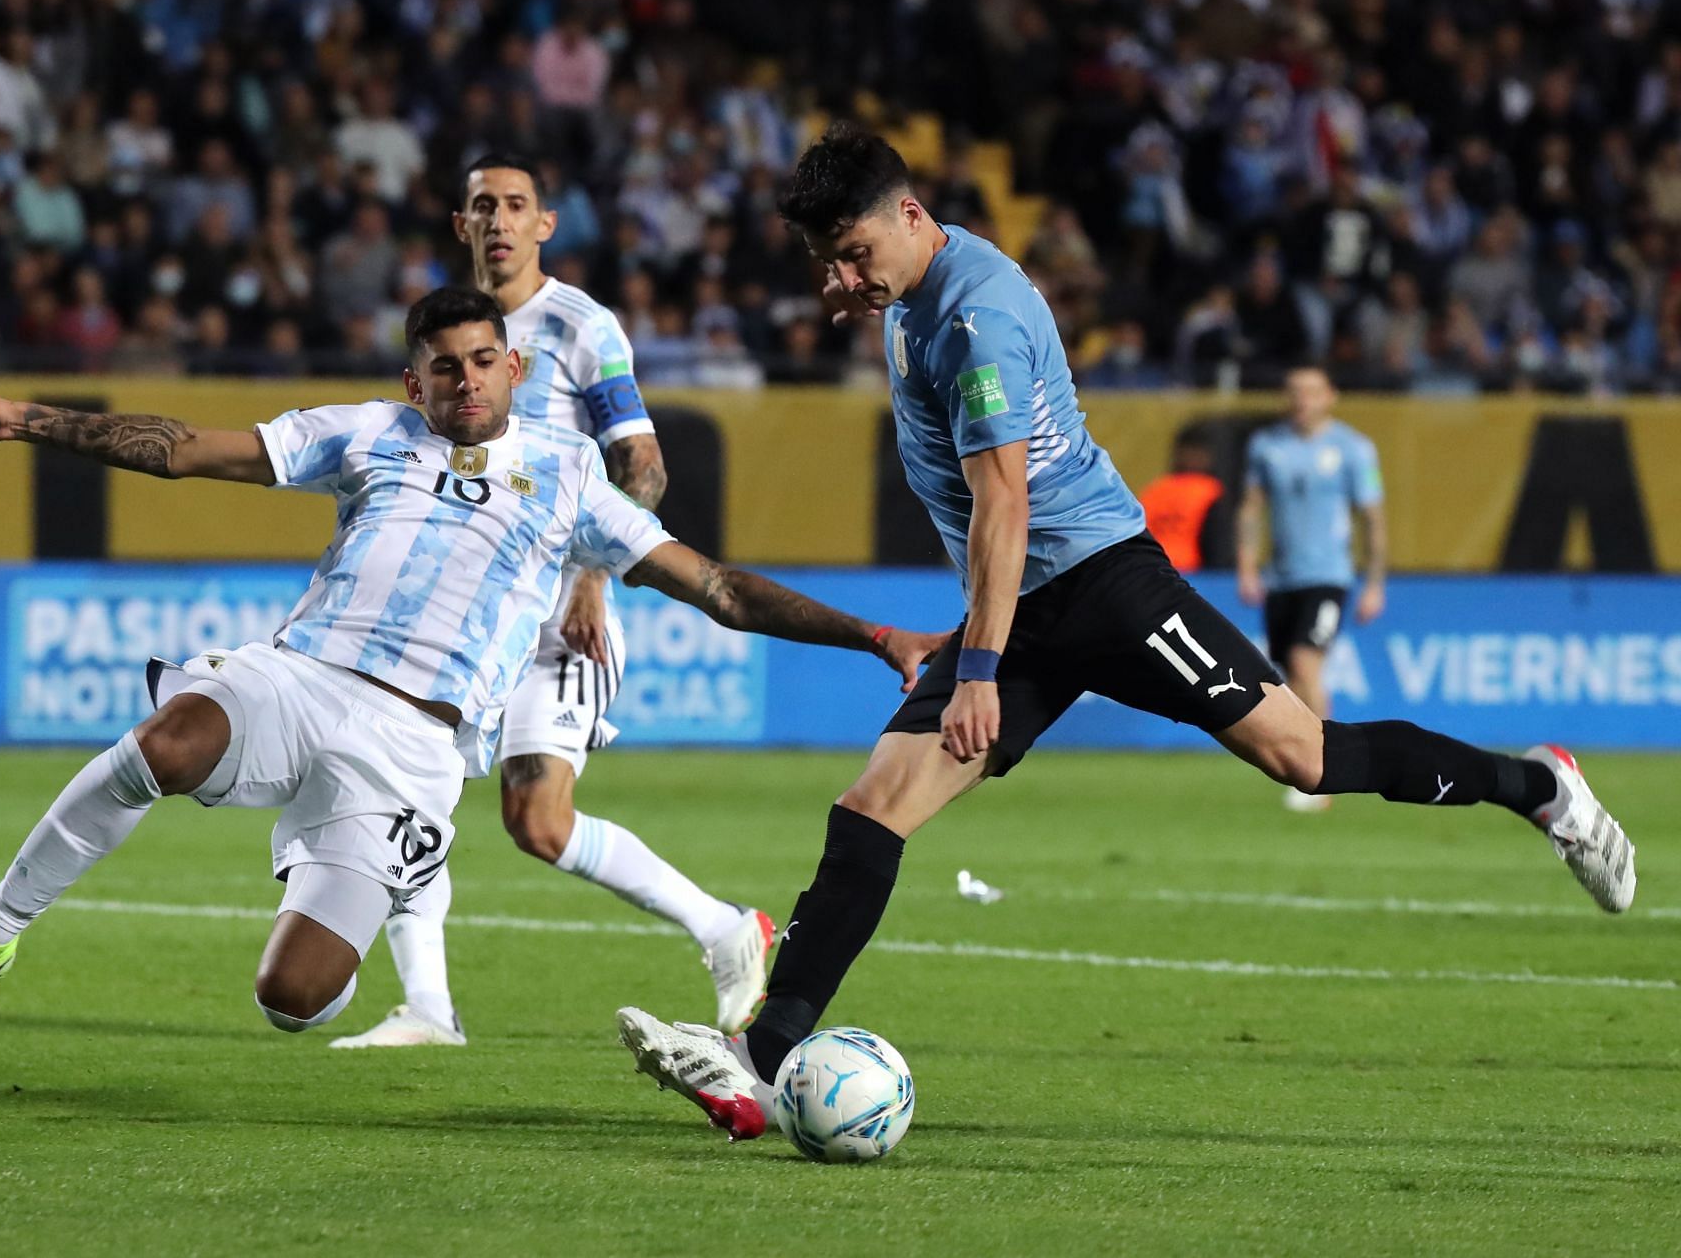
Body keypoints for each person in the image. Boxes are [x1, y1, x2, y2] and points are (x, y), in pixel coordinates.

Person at [612, 125, 1638, 1143]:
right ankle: (761, 1060)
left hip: (1109, 589)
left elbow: (1004, 503)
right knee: (872, 806)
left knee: (1308, 754)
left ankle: (1542, 787)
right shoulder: (911, 288)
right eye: (827, 261)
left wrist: (979, 670)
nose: (843, 277)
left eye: (855, 255)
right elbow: (990, 513)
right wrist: (859, 288)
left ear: (913, 217)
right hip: (1022, 605)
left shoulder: (976, 321)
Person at [0, 288, 945, 1033]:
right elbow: (181, 451)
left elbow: (717, 586)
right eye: (442, 369)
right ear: (412, 380)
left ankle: (382, 869)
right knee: (169, 740)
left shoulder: (568, 479)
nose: (465, 382)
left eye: (481, 362)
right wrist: (27, 419)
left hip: (418, 747)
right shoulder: (367, 433)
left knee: (295, 999)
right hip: (303, 675)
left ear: (513, 366)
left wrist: (877, 634)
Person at [331, 155, 773, 1050]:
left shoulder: (581, 326)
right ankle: (427, 1005)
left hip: (559, 608)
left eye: (516, 205)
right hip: (456, 607)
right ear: (460, 225)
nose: (498, 219)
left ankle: (726, 926)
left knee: (538, 818)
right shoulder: (447, 332)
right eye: (482, 206)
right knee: (402, 793)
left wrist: (592, 575)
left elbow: (641, 463)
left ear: (546, 224)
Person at [1237, 366, 1386, 812]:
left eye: (1311, 392)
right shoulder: (1267, 446)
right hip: (1281, 579)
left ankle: (1323, 776)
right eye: (1294, 391)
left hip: (1329, 576)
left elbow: (1372, 517)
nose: (1302, 399)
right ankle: (1310, 764)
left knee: (1306, 661)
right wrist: (1247, 566)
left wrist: (1375, 582)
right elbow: (1251, 508)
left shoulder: (1354, 449)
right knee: (1291, 675)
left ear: (1330, 397)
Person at [1137, 423, 1229, 574]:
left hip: (1150, 569)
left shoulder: (1155, 489)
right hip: (1190, 573)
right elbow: (1215, 545)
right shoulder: (1209, 489)